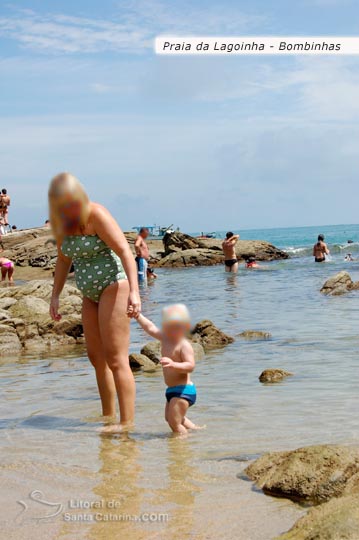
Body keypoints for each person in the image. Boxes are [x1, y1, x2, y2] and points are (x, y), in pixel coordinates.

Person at [48, 172, 141, 432]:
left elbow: (124, 250)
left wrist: (135, 292)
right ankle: (108, 417)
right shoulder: (61, 223)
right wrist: (55, 295)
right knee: (95, 357)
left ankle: (126, 424)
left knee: (116, 358)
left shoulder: (96, 214)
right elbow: (64, 260)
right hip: (90, 293)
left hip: (114, 285)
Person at [133, 304, 200, 435]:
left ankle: (181, 447)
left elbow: (190, 366)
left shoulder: (184, 345)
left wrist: (173, 364)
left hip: (183, 391)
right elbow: (150, 328)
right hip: (171, 390)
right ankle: (194, 430)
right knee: (170, 418)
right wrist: (138, 316)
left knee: (174, 423)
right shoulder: (165, 339)